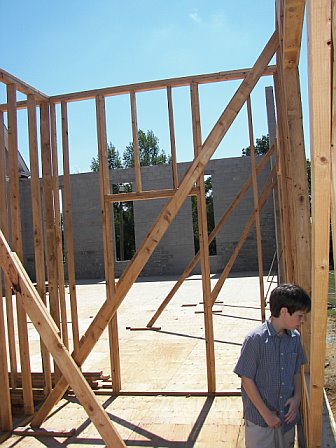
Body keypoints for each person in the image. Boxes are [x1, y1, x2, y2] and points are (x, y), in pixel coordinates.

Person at [234, 283, 311, 448]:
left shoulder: (295, 338)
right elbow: (246, 379)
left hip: (287, 419)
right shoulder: (255, 340)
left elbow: (296, 371)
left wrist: (297, 398)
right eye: (300, 315)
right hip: (260, 421)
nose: (303, 320)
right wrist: (266, 414)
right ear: (284, 312)